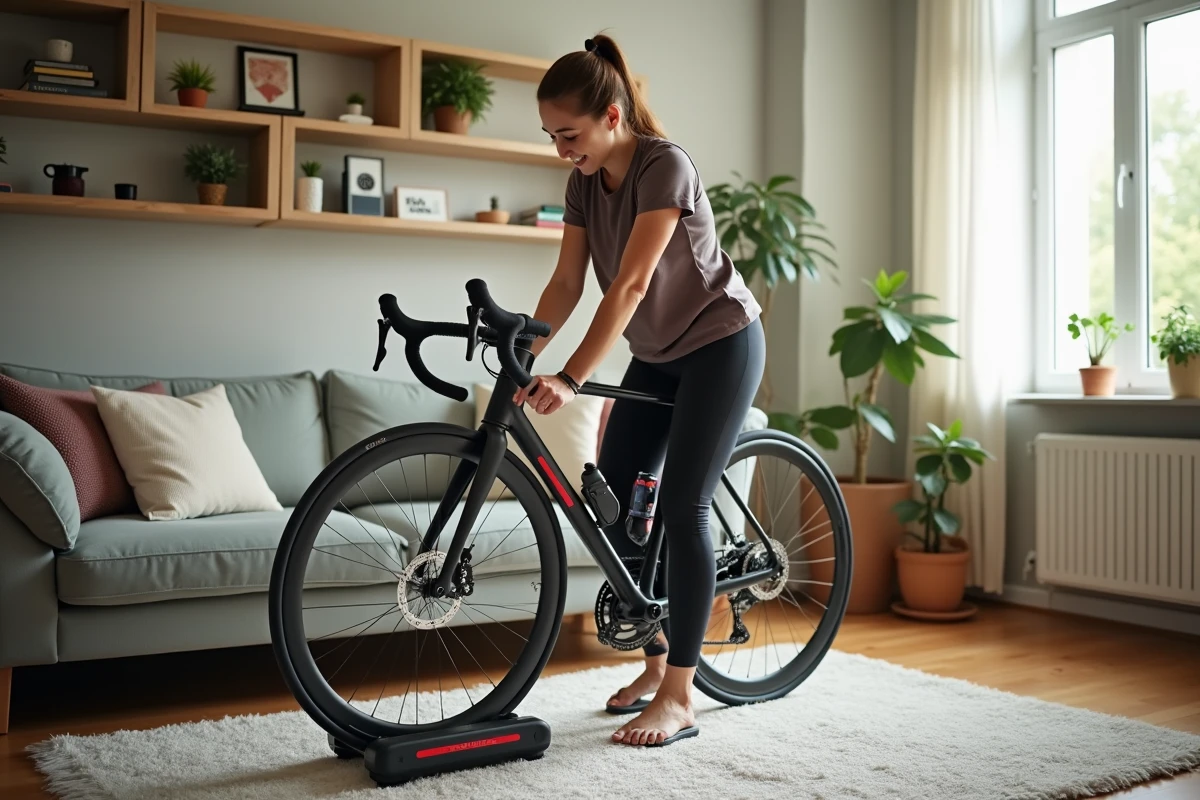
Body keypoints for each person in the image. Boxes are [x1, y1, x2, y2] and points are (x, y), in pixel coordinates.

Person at [511, 33, 766, 748]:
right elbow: (567, 282)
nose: (561, 150)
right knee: (620, 509)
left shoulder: (665, 166)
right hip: (657, 354)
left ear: (612, 117)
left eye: (570, 134)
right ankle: (656, 668)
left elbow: (628, 284)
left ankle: (681, 696)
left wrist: (570, 376)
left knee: (683, 509)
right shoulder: (582, 184)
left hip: (721, 344)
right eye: (551, 136)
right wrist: (522, 355)